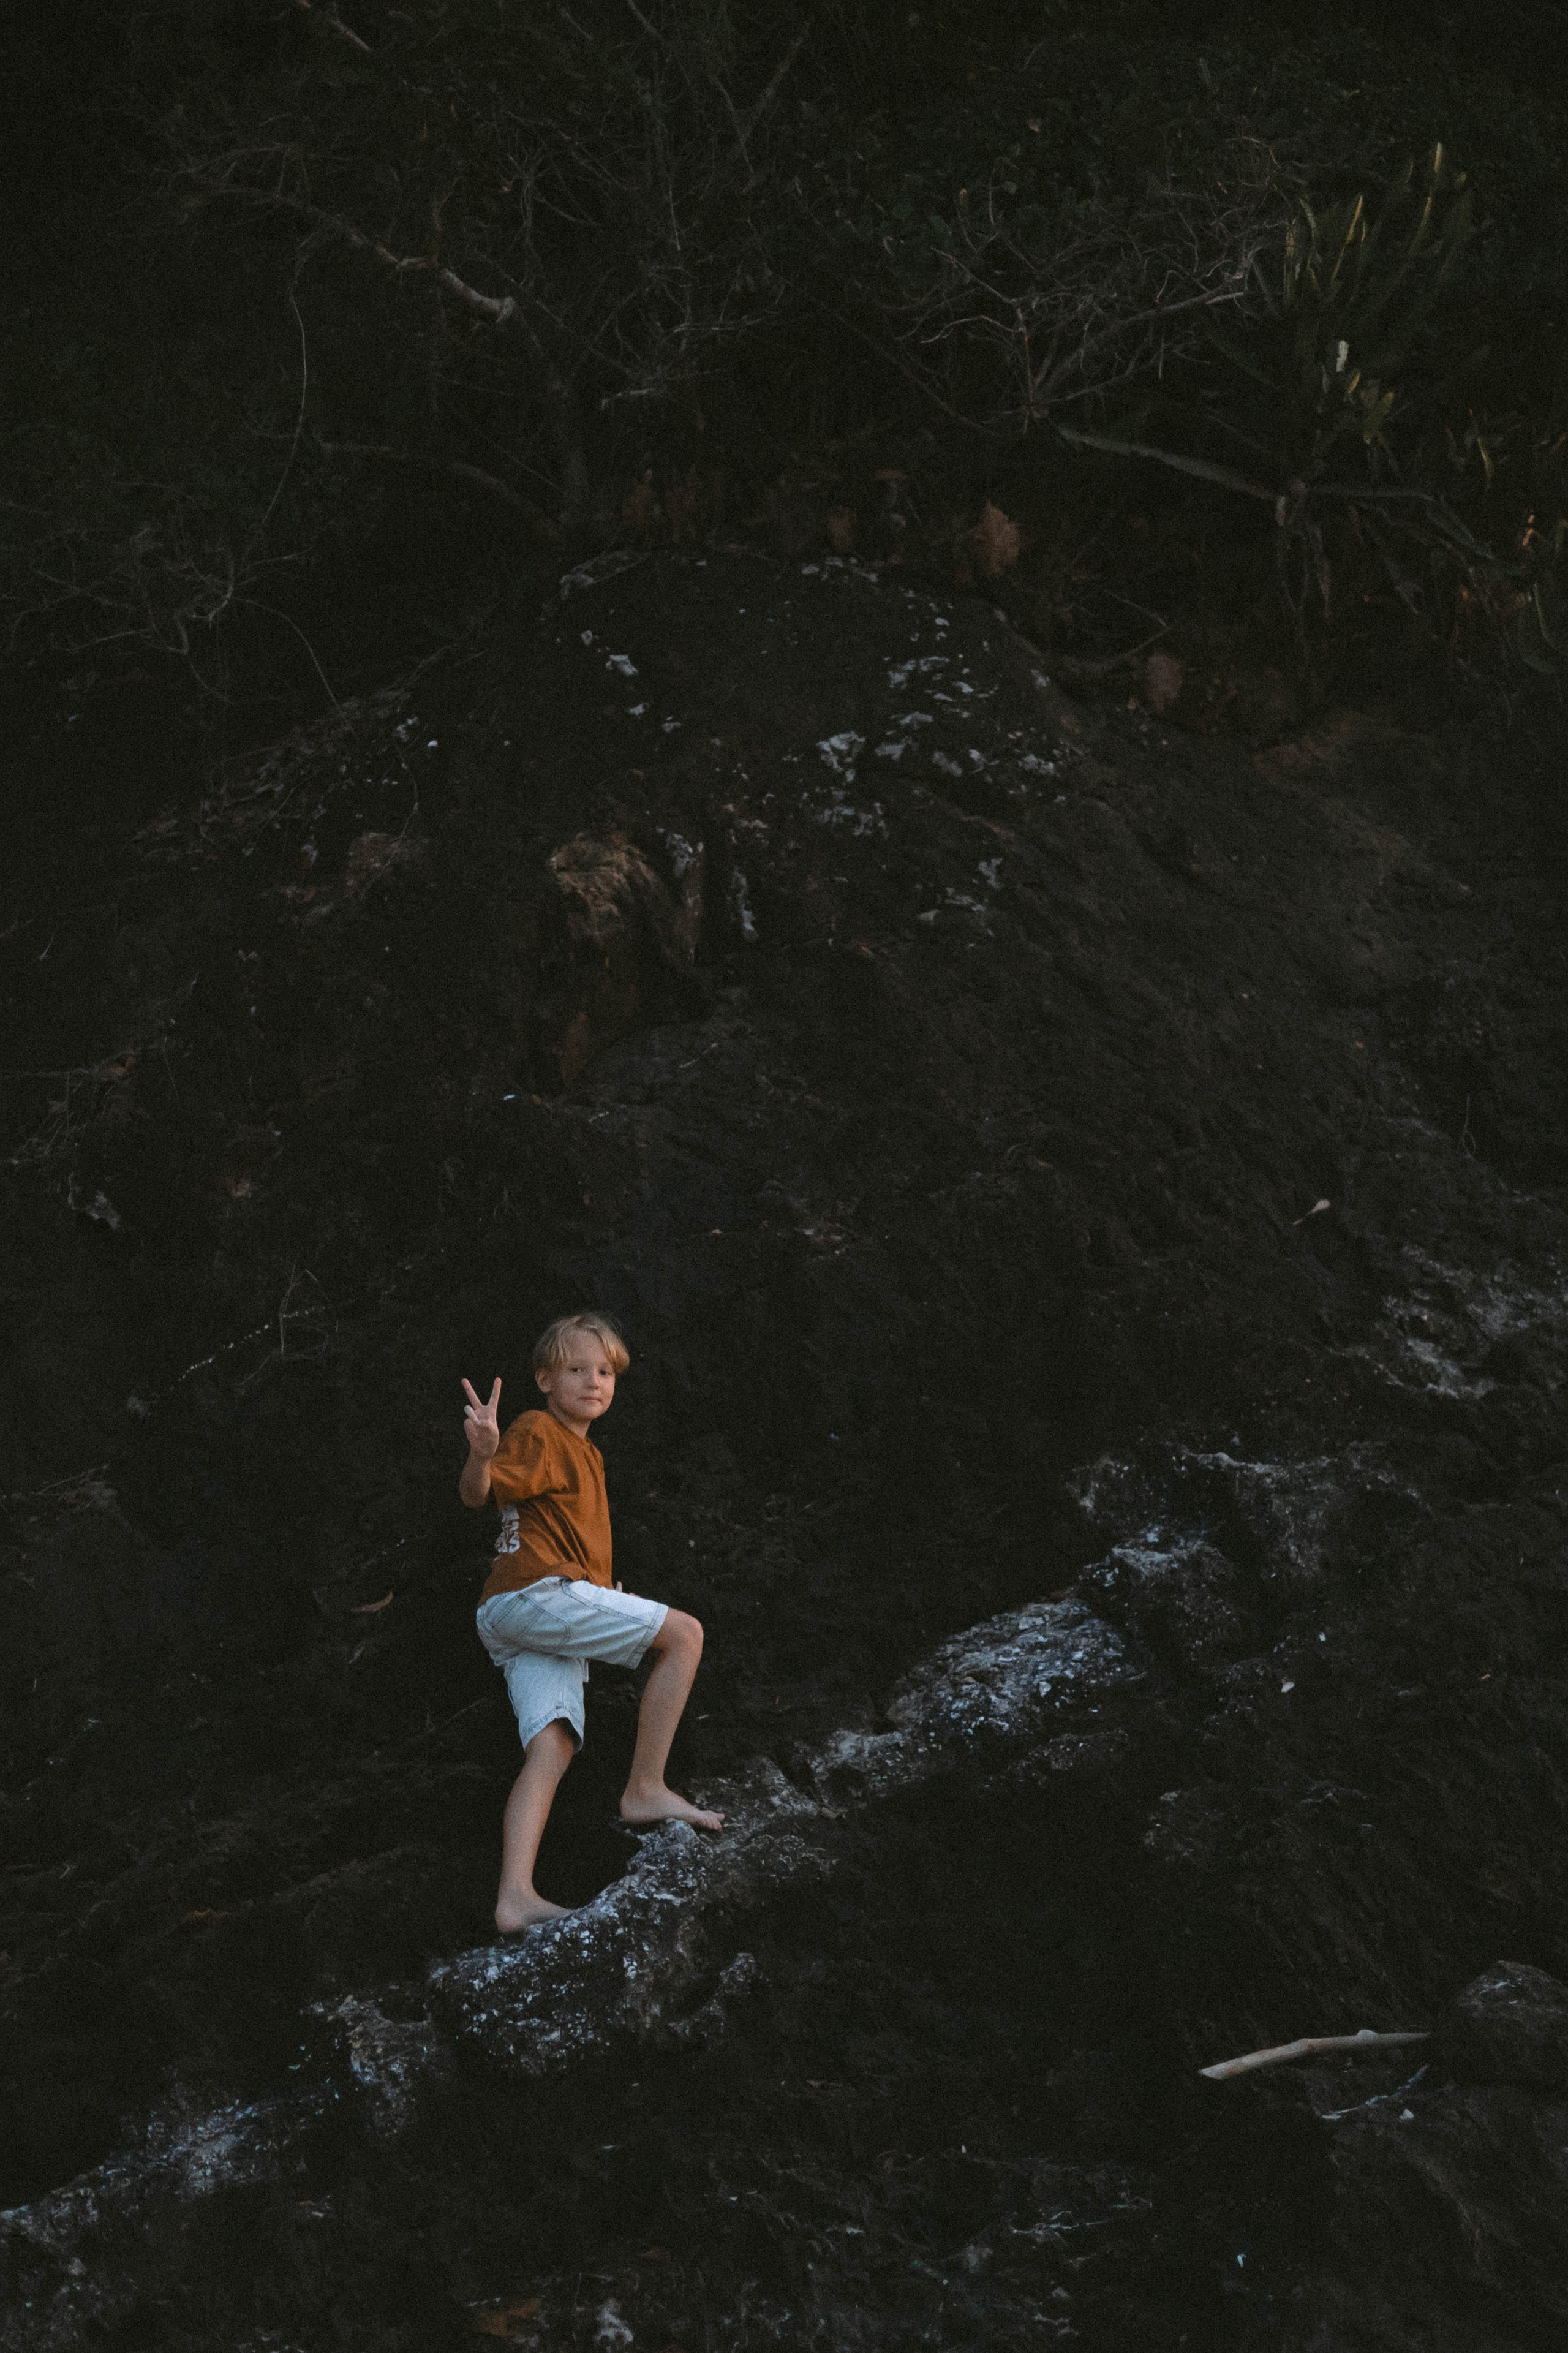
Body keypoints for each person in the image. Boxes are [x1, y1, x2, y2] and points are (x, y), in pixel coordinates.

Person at [460, 1311, 722, 1935]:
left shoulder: (588, 1455)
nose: (593, 1381)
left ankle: (515, 1898)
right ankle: (645, 1787)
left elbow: (568, 1538)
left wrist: (601, 1597)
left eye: (604, 1371)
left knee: (551, 1747)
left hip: (517, 1612)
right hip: (533, 1596)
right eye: (577, 1369)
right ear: (546, 1379)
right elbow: (480, 1493)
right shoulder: (537, 1430)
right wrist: (481, 1453)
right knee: (685, 1635)